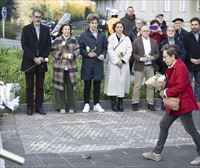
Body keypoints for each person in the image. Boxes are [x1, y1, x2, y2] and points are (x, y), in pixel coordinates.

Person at [142, 44, 200, 166]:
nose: (163, 60)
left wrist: (165, 92)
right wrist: (160, 84)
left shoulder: (181, 67)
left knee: (191, 130)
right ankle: (156, 153)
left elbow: (180, 87)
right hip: (175, 102)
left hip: (182, 103)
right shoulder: (174, 65)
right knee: (164, 124)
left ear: (173, 56)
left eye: (165, 57)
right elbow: (172, 83)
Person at [21, 9, 51, 115]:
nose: (38, 19)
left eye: (40, 17)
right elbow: (25, 45)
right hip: (29, 62)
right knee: (29, 86)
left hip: (42, 62)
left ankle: (39, 107)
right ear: (32, 17)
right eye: (36, 17)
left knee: (40, 86)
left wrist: (42, 57)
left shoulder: (46, 29)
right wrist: (34, 58)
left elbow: (49, 46)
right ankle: (29, 107)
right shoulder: (26, 29)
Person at [79, 13, 108, 113]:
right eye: (92, 23)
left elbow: (105, 47)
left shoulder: (102, 35)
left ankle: (96, 104)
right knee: (87, 84)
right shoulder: (83, 35)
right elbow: (80, 49)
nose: (94, 25)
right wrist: (87, 54)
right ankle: (86, 104)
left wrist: (103, 55)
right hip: (87, 63)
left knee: (97, 84)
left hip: (98, 63)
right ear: (88, 24)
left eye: (96, 23)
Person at [51, 23, 80, 114]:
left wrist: (72, 55)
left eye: (68, 29)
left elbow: (78, 50)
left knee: (71, 88)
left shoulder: (74, 40)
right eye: (65, 29)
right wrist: (63, 55)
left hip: (70, 67)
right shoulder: (57, 40)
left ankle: (72, 106)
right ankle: (61, 106)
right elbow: (53, 51)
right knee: (59, 88)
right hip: (59, 67)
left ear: (70, 30)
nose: (67, 31)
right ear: (62, 30)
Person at [104, 21, 132, 112]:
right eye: (117, 27)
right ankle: (113, 103)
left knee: (122, 83)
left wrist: (123, 60)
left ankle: (120, 103)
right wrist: (117, 61)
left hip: (124, 64)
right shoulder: (111, 38)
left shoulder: (127, 39)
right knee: (113, 83)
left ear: (123, 28)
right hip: (114, 64)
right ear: (114, 28)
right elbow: (110, 50)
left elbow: (129, 50)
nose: (119, 29)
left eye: (121, 27)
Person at [131, 25, 159, 111]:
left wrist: (153, 57)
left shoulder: (154, 42)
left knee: (150, 85)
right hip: (139, 66)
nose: (146, 32)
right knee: (137, 85)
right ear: (141, 32)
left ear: (149, 32)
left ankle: (150, 103)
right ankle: (135, 102)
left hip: (150, 66)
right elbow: (133, 54)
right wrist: (140, 58)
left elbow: (157, 53)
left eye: (147, 31)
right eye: (144, 31)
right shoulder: (136, 41)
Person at [183, 17, 200, 108]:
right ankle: (188, 101)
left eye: (196, 24)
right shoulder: (186, 36)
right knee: (187, 84)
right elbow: (184, 50)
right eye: (192, 25)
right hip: (189, 65)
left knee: (199, 84)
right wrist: (190, 59)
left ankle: (197, 101)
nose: (194, 26)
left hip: (199, 66)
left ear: (199, 25)